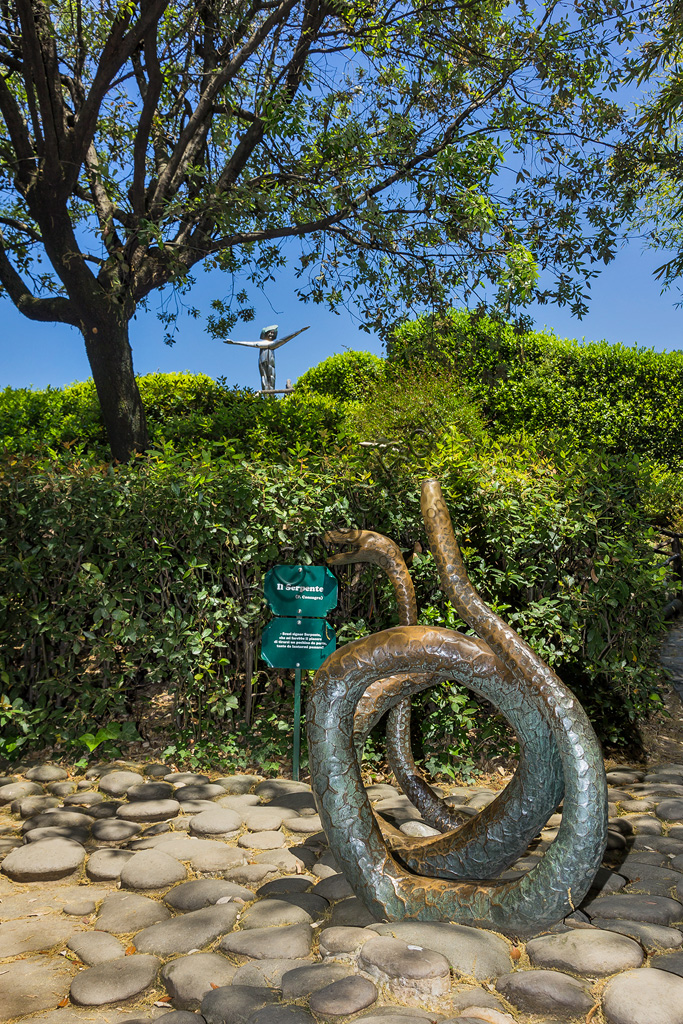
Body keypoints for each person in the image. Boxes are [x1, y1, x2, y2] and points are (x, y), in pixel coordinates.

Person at [223, 324, 309, 391]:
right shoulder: (262, 344)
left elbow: (285, 339)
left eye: (273, 333)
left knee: (271, 378)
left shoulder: (272, 345)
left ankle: (271, 397)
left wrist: (299, 331)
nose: (271, 334)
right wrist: (234, 342)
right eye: (270, 332)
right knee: (264, 377)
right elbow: (249, 344)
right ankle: (266, 396)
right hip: (262, 361)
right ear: (265, 333)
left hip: (271, 362)